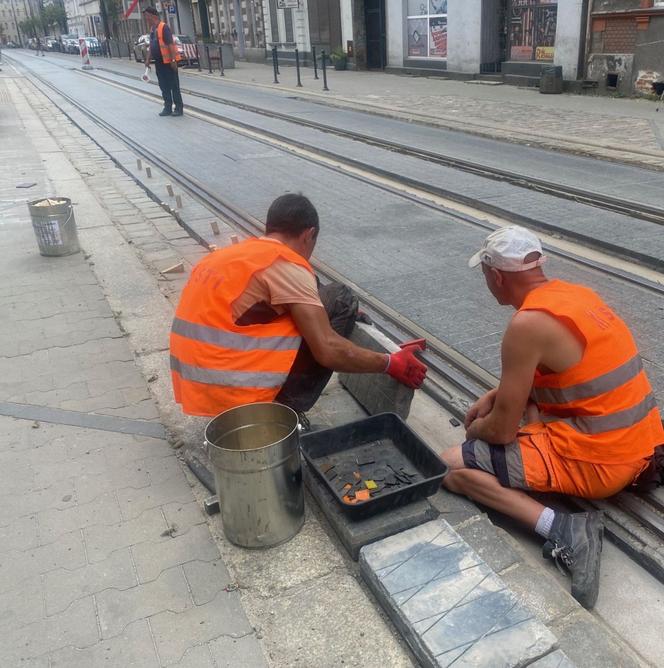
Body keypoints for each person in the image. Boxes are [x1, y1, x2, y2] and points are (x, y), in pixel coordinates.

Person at [440, 226, 663, 609]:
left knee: (449, 468)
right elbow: (565, 370)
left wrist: (475, 431)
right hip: (643, 443)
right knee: (519, 412)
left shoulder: (525, 325)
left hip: (601, 462)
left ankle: (563, 528)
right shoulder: (577, 296)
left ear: (495, 276)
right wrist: (496, 395)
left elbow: (501, 430)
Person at [170, 194, 427, 422]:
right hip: (238, 395)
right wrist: (390, 362)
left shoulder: (234, 256)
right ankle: (284, 411)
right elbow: (327, 350)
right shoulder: (287, 264)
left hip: (199, 389)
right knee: (341, 298)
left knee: (316, 293)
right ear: (308, 235)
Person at [142, 6, 183, 117]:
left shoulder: (163, 27)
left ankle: (178, 108)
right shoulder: (152, 29)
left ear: (153, 15)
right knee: (163, 85)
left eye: (147, 16)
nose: (146, 18)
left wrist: (173, 60)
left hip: (169, 62)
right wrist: (148, 60)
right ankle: (168, 107)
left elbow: (170, 44)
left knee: (174, 85)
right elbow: (151, 46)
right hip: (159, 62)